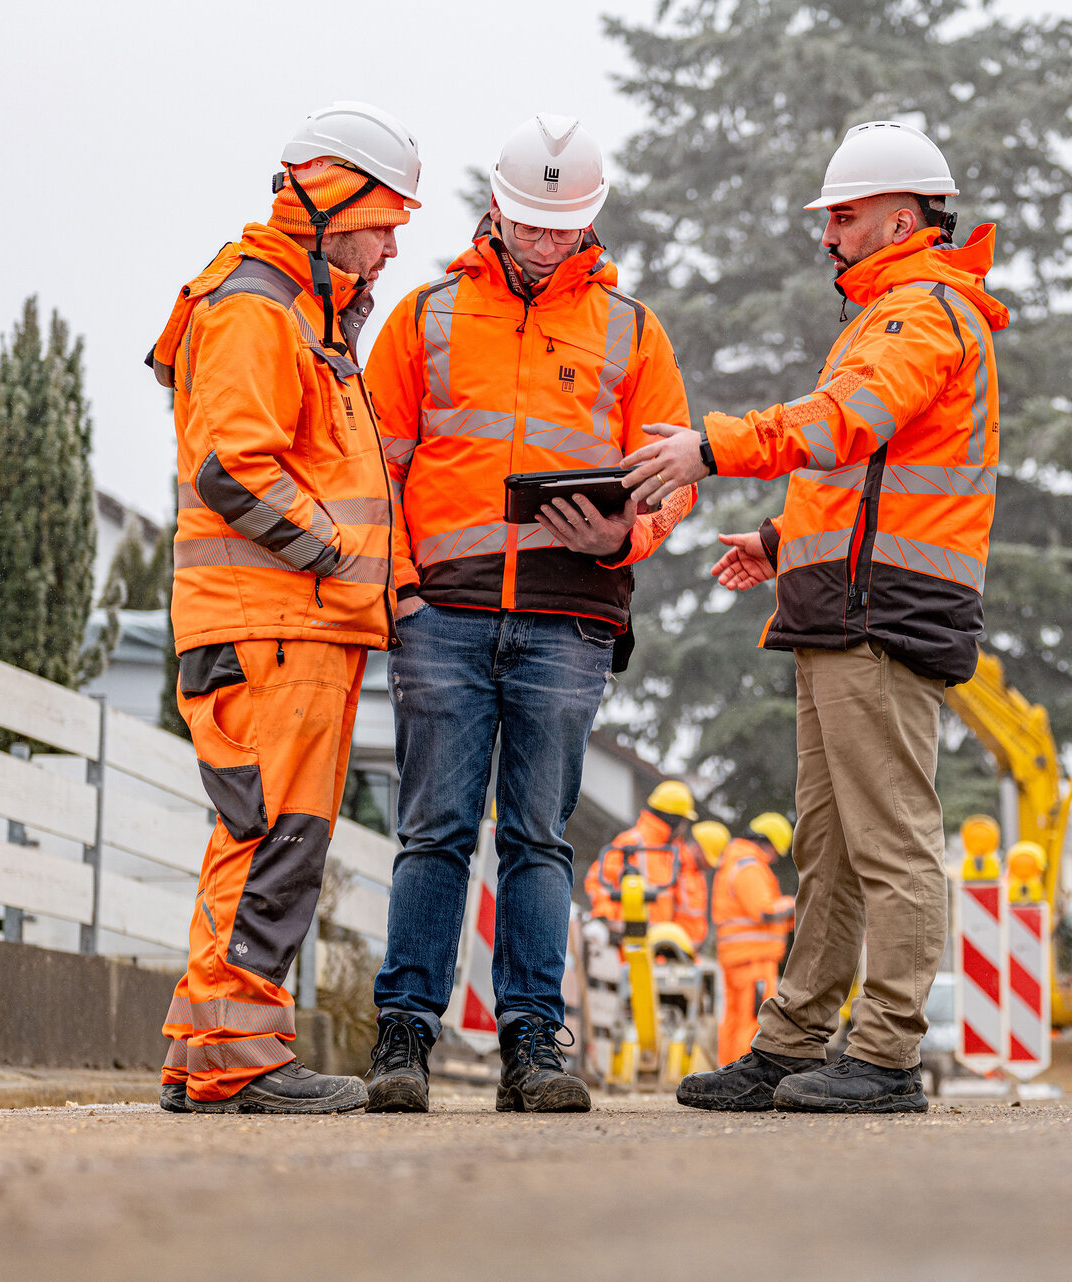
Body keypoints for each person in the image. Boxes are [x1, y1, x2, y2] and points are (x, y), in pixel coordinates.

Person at [626, 121, 1007, 1114]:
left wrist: (710, 447)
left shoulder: (918, 313)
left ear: (900, 214)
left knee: (888, 842)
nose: (827, 233)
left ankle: (883, 1054)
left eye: (840, 214)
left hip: (879, 615)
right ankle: (795, 1044)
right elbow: (861, 478)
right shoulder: (898, 312)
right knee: (830, 850)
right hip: (845, 604)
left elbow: (842, 426)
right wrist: (779, 539)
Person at [360, 113, 696, 1115]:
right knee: (434, 830)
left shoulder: (634, 331)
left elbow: (674, 479)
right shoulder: (423, 316)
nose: (547, 242)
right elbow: (374, 467)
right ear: (497, 210)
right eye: (531, 223)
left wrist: (621, 541)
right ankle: (404, 1039)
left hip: (571, 614)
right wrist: (401, 591)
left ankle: (532, 1045)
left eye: (565, 226)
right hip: (443, 615)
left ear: (590, 220)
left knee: (541, 837)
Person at [150, 101, 421, 1114]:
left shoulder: (304, 311)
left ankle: (208, 1052)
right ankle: (241, 1062)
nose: (396, 242)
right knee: (274, 844)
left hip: (291, 626)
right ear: (332, 200)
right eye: (385, 219)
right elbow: (231, 465)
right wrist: (339, 551)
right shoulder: (260, 309)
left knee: (259, 839)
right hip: (273, 624)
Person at [711, 814, 797, 1065]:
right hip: (753, 960)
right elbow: (764, 910)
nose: (774, 858)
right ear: (767, 843)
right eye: (774, 852)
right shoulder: (749, 866)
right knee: (751, 1023)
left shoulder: (736, 862)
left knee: (735, 1021)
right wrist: (793, 904)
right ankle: (743, 1072)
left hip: (740, 958)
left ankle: (727, 1072)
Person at [583, 780, 711, 948]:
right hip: (629, 939)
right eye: (684, 821)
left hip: (659, 943)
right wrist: (608, 918)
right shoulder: (631, 842)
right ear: (675, 820)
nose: (684, 828)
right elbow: (598, 882)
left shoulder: (673, 851)